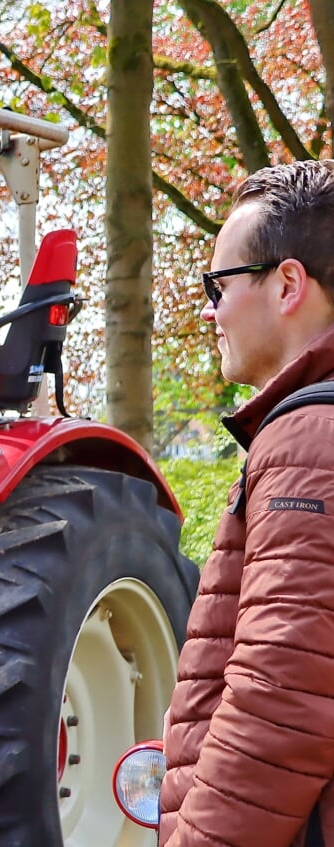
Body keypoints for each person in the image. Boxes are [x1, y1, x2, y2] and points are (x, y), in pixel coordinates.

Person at [160, 159, 334, 846]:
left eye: (217, 284)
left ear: (286, 283)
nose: (209, 310)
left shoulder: (306, 439)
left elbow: (276, 708)